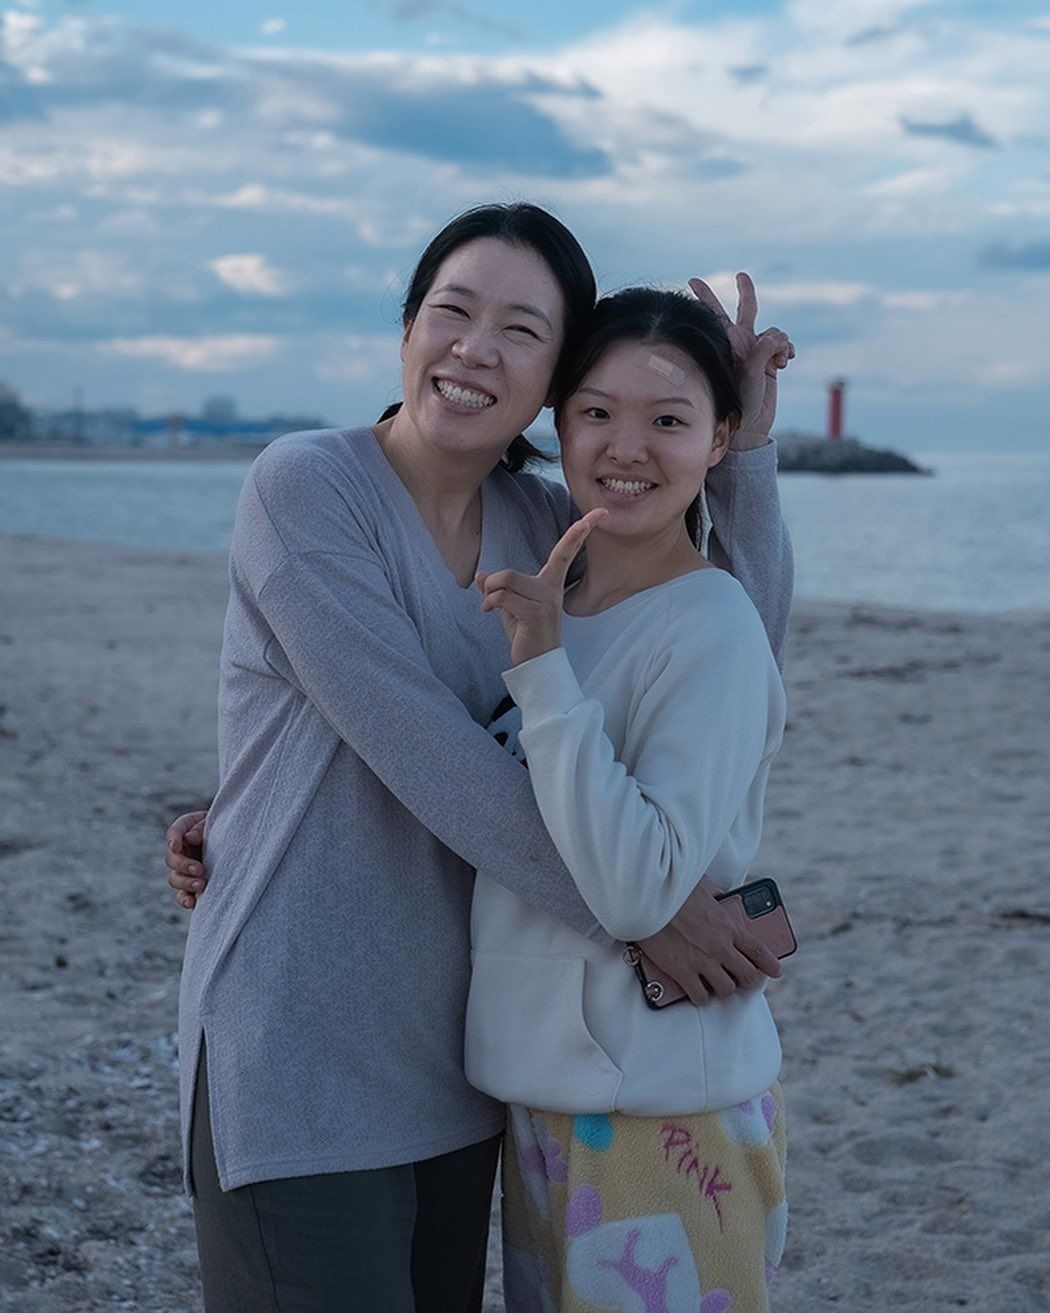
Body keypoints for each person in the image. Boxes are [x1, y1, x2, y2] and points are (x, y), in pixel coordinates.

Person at [163, 202, 795, 1313]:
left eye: (522, 329)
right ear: (408, 327)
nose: (475, 349)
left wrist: (741, 448)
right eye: (452, 312)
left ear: (551, 376)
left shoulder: (545, 522)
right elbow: (423, 748)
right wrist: (640, 912)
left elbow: (732, 625)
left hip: (467, 1055)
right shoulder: (307, 486)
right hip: (301, 1035)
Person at [469, 287, 788, 1312]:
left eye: (669, 418)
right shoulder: (554, 608)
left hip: (666, 1111)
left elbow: (643, 888)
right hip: (542, 1096)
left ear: (718, 438)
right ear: (557, 424)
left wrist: (542, 672)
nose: (627, 446)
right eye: (597, 411)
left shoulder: (714, 622)